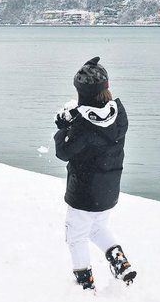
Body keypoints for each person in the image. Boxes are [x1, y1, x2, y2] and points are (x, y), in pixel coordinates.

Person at [54, 57, 136, 290]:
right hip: (109, 189)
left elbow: (64, 152)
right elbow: (100, 129)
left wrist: (63, 128)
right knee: (98, 227)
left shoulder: (83, 125)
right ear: (106, 87)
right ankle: (121, 263)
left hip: (84, 193)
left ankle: (84, 284)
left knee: (76, 236)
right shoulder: (120, 112)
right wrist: (75, 121)